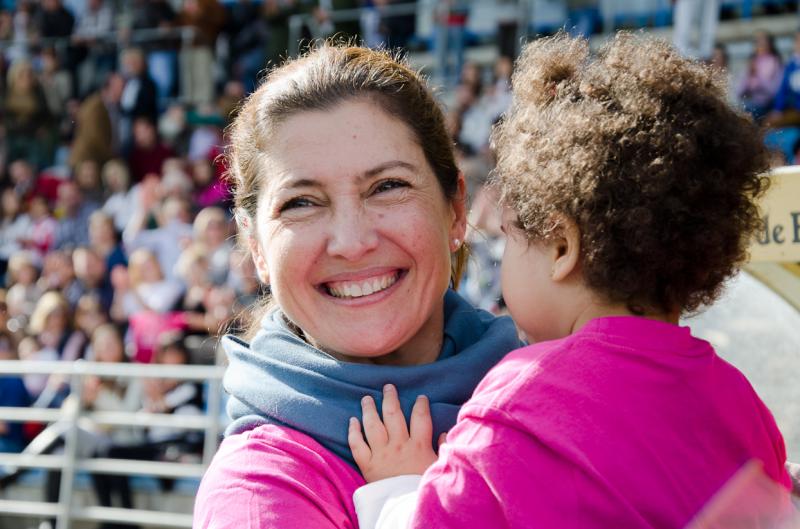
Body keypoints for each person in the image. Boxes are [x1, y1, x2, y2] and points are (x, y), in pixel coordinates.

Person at [348, 33, 795, 529]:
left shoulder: (522, 397)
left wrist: (399, 486)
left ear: (561, 247)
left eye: (512, 236)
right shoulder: (741, 403)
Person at [192, 44, 522, 528]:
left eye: (387, 186)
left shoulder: (548, 395)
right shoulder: (259, 490)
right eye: (301, 202)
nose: (351, 243)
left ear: (454, 211)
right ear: (256, 245)